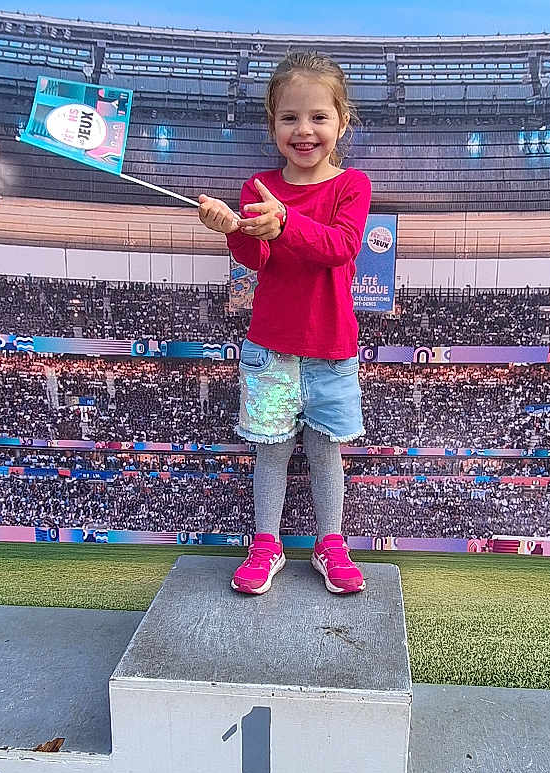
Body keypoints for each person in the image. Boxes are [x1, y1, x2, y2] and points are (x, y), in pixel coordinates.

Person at [197, 50, 372, 596]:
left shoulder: (351, 186)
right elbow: (256, 262)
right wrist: (233, 229)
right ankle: (265, 544)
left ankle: (330, 543)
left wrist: (284, 221)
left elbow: (340, 248)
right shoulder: (257, 186)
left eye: (319, 116)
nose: (304, 130)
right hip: (271, 348)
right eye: (289, 117)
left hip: (332, 350)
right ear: (272, 123)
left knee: (326, 452)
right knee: (270, 451)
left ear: (343, 121)